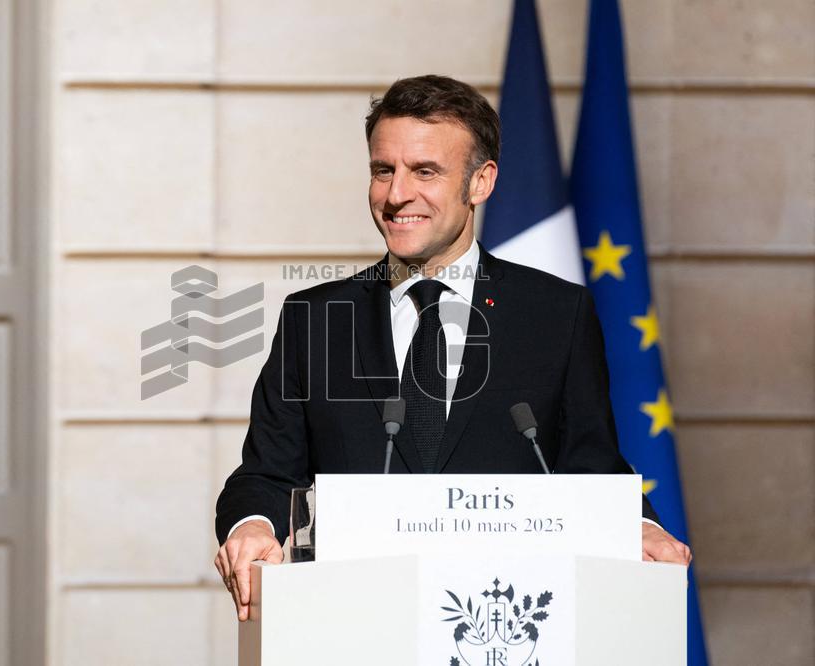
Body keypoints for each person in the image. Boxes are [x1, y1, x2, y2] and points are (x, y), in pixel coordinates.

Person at [214, 75, 691, 621]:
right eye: (382, 170)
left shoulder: (557, 314)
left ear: (480, 182)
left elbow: (592, 469)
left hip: (504, 625)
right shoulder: (314, 320)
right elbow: (267, 475)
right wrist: (252, 524)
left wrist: (642, 528)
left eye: (425, 172)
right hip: (354, 624)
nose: (396, 195)